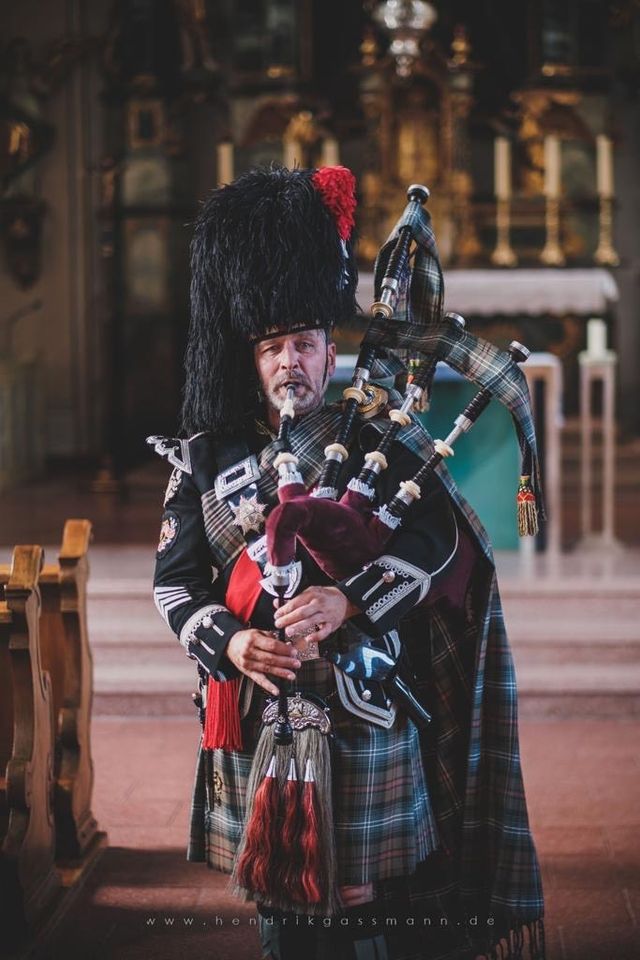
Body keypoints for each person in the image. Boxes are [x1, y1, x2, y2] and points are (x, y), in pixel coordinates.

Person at [149, 165, 545, 960]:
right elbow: (174, 582)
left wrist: (350, 603)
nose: (290, 361)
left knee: (368, 893)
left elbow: (439, 546)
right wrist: (229, 640)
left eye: (304, 343)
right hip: (260, 708)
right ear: (252, 357)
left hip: (366, 701)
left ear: (332, 349)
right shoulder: (203, 457)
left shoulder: (380, 437)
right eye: (273, 347)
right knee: (281, 891)